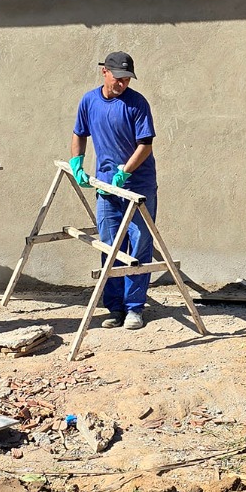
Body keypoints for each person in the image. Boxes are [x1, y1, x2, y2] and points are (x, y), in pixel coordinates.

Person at [70, 51, 158, 330]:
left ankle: (134, 308)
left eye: (126, 79)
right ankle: (115, 308)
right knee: (110, 246)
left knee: (139, 245)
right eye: (118, 78)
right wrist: (77, 162)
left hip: (137, 185)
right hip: (107, 188)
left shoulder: (137, 104)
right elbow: (79, 133)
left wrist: (125, 172)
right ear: (104, 72)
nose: (122, 84)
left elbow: (145, 145)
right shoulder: (89, 101)